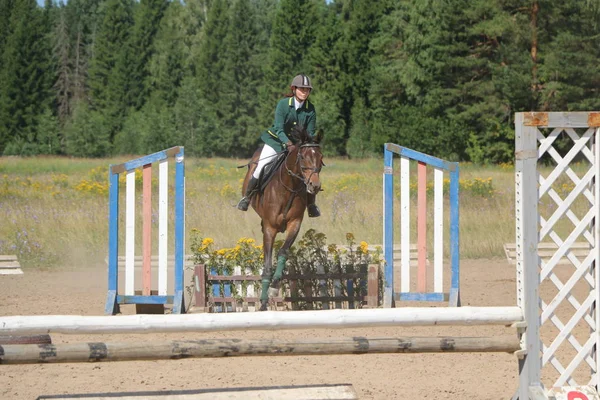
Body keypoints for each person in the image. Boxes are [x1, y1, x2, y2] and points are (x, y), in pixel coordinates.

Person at [237, 74, 320, 217]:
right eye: (302, 89)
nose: (305, 92)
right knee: (261, 166)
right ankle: (247, 198)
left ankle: (311, 205)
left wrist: (307, 146)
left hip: (297, 146)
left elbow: (310, 132)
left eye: (307, 90)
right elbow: (279, 128)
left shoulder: (310, 109)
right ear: (294, 89)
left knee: (311, 169)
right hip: (276, 141)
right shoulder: (283, 104)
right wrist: (288, 144)